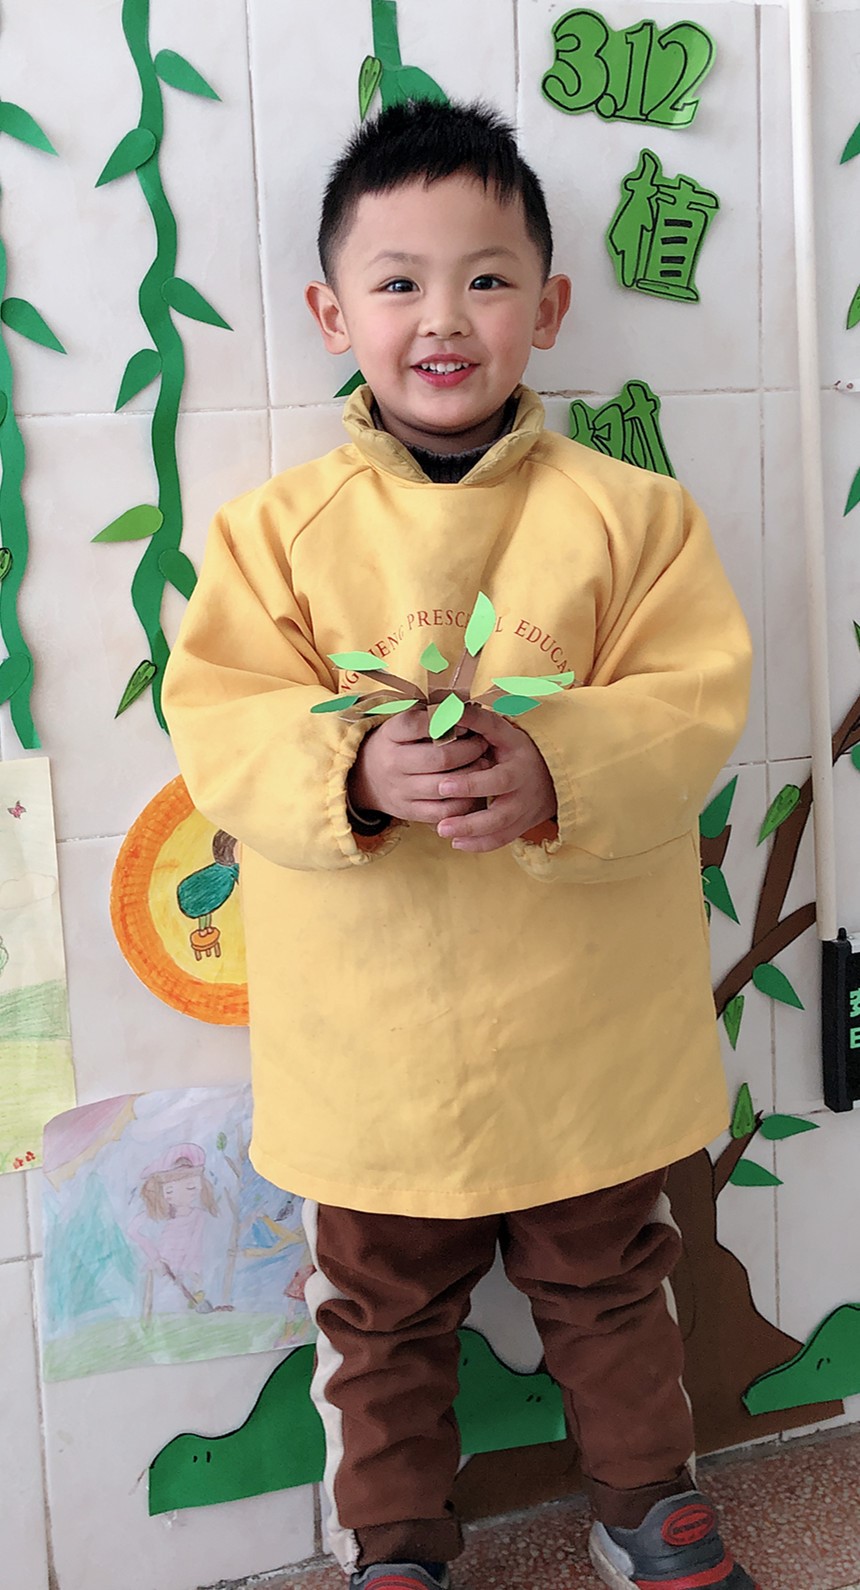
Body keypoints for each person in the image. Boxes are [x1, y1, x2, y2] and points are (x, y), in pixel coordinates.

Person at [163, 100, 757, 1590]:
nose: (444, 317)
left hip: (582, 1022)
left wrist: (558, 762)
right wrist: (352, 768)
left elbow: (694, 701)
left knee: (611, 1286)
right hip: (373, 1038)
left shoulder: (634, 518)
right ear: (333, 314)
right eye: (400, 281)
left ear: (547, 309)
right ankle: (398, 1545)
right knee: (378, 1316)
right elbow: (218, 717)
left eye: (488, 279)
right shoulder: (271, 534)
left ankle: (647, 1502)